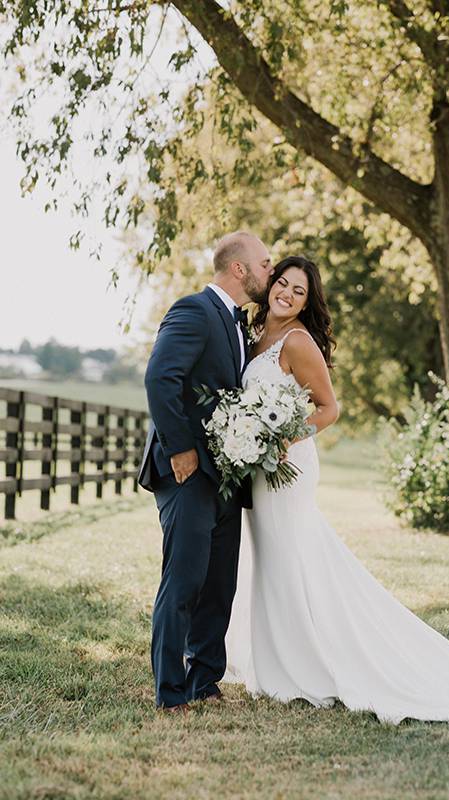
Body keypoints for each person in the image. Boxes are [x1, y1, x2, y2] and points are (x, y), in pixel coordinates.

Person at [224, 255, 449, 734]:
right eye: (281, 283)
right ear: (270, 286)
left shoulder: (298, 340)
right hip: (261, 470)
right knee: (269, 557)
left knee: (290, 556)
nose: (286, 293)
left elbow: (329, 409)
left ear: (309, 301)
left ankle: (304, 667)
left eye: (298, 291)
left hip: (289, 464)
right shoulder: (254, 333)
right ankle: (275, 659)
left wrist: (283, 438)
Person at [138, 231, 273, 713]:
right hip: (187, 474)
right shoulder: (194, 309)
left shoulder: (241, 325)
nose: (269, 271)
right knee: (185, 581)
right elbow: (160, 377)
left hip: (227, 476)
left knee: (219, 584)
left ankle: (204, 680)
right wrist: (180, 450)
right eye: (264, 263)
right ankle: (170, 691)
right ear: (239, 270)